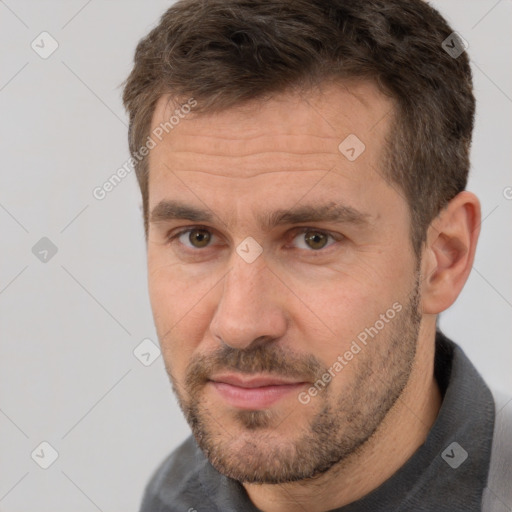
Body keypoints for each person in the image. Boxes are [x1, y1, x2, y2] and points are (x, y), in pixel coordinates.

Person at [121, 1, 512, 510]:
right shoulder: (175, 495)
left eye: (313, 239)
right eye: (197, 237)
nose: (240, 323)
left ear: (444, 257)